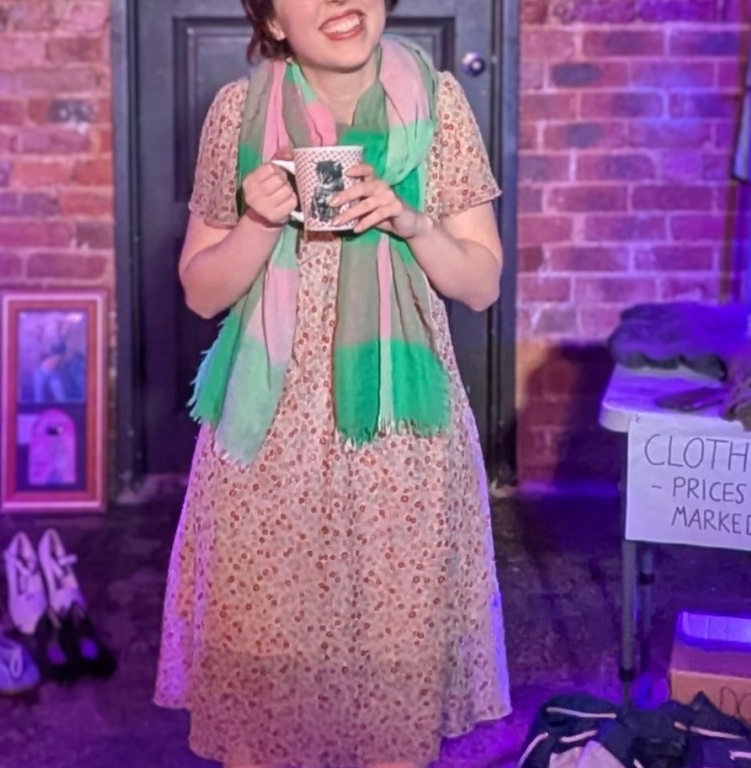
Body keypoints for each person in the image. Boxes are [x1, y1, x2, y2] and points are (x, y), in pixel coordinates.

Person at [153, 1, 510, 766]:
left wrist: (411, 222)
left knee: (393, 664)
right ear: (273, 22)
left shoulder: (439, 102)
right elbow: (202, 292)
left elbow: (481, 285)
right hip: (269, 432)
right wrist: (257, 222)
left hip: (397, 429)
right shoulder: (239, 113)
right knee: (265, 667)